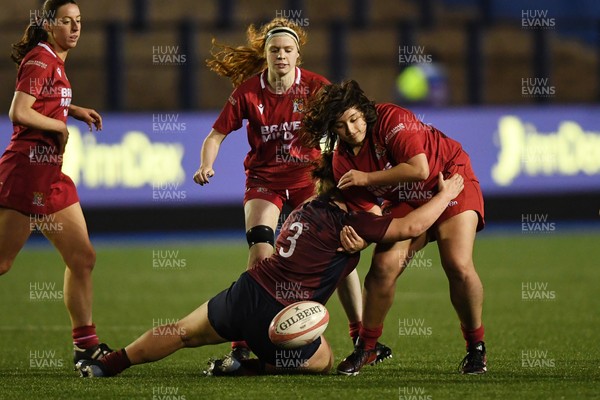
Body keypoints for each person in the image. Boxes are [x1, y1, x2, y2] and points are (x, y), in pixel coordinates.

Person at [76, 153, 465, 377]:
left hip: (246, 290)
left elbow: (333, 254)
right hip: (277, 314)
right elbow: (412, 226)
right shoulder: (354, 220)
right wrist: (446, 193)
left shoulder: (306, 207)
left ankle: (108, 365)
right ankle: (254, 367)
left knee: (180, 331)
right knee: (324, 361)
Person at [192, 17, 373, 361]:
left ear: (297, 55)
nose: (281, 56)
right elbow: (215, 135)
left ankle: (362, 337)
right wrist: (206, 164)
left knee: (343, 257)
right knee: (261, 246)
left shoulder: (316, 87)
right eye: (274, 50)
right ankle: (242, 343)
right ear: (265, 53)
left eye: (288, 50)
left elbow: (345, 122)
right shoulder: (248, 92)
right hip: (264, 181)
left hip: (308, 181)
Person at [302, 80, 487, 375]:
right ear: (332, 130)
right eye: (340, 126)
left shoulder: (392, 118)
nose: (351, 130)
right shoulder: (341, 163)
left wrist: (365, 178)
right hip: (405, 197)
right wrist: (359, 242)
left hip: (450, 179)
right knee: (382, 268)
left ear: (364, 111)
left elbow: (420, 170)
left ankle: (475, 347)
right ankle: (367, 347)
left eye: (354, 119)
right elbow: (373, 218)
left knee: (457, 264)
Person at [0, 0, 111, 366]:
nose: (75, 28)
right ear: (50, 24)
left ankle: (86, 347)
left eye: (78, 21)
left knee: (82, 258)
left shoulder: (54, 59)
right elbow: (19, 110)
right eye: (67, 21)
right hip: (27, 170)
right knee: (2, 263)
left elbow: (44, 102)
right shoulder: (41, 58)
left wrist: (71, 110)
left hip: (51, 175)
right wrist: (60, 125)